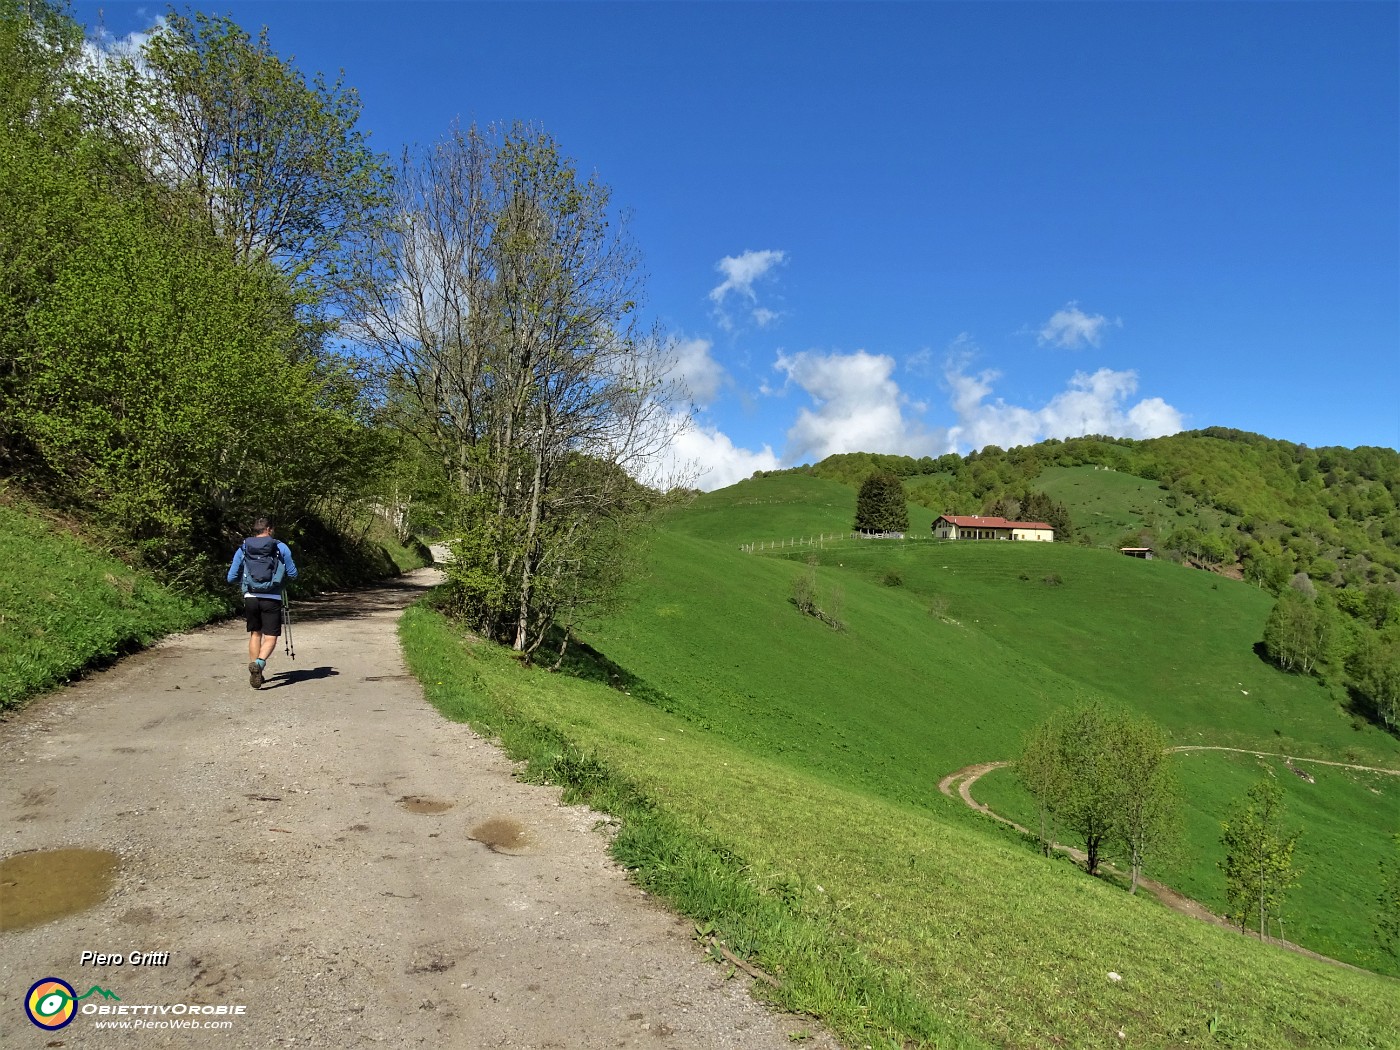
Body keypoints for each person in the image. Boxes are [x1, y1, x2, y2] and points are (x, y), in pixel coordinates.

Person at [226, 516, 299, 689]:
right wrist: (281, 581)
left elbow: (231, 577)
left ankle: (255, 669)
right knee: (271, 637)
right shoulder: (280, 547)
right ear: (270, 530)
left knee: (255, 634)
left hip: (250, 597)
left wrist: (246, 583)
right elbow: (293, 574)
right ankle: (258, 664)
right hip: (272, 598)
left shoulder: (243, 548)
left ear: (255, 530)